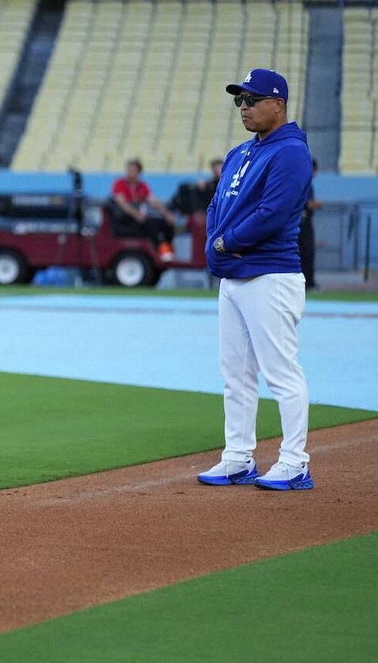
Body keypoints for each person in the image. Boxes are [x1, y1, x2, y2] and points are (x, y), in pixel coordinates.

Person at [197, 68, 314, 491]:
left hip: (270, 273)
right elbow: (215, 203)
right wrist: (216, 239)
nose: (243, 108)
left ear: (278, 104)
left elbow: (274, 213)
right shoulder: (240, 152)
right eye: (239, 100)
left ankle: (295, 461)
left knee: (281, 372)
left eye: (251, 99)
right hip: (234, 275)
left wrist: (224, 243)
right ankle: (237, 457)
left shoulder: (291, 153)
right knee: (236, 374)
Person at [110, 159, 178, 262]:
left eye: (133, 170)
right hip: (125, 219)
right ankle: (157, 252)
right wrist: (136, 214)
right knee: (151, 225)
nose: (129, 172)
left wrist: (166, 214)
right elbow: (122, 203)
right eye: (128, 170)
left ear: (138, 172)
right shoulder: (119, 183)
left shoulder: (142, 186)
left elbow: (153, 201)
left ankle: (166, 252)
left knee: (166, 224)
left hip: (140, 219)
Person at [298, 159, 322, 290]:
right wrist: (317, 205)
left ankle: (307, 281)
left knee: (305, 252)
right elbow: (307, 203)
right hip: (302, 222)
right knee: (306, 252)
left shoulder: (302, 182)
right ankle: (308, 282)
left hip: (302, 221)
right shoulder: (305, 183)